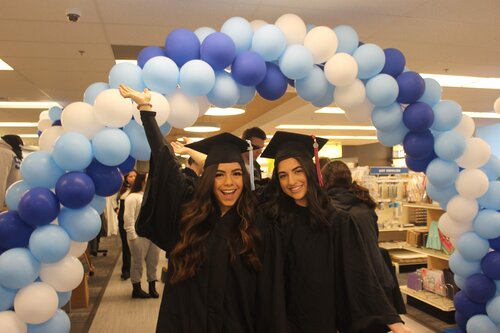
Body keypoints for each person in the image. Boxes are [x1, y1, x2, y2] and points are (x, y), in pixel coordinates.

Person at [119, 85, 286, 333]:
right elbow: (165, 162)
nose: (229, 183)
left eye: (236, 174)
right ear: (209, 179)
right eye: (219, 175)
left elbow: (270, 294)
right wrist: (146, 111)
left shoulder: (257, 225)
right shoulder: (190, 218)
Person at [260, 131, 413, 333]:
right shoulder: (273, 221)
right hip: (281, 319)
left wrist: (394, 322)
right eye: (283, 175)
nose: (291, 181)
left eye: (298, 171)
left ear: (311, 171)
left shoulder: (336, 221)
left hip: (321, 318)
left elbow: (358, 272)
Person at [322, 160, 407, 323]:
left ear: (324, 181)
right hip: (378, 275)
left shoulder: (328, 209)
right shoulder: (365, 205)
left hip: (351, 281)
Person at [124, 173, 161, 299]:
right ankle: (136, 288)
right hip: (138, 236)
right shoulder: (132, 197)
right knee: (137, 263)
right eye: (147, 179)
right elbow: (128, 218)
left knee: (153, 262)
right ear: (142, 181)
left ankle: (152, 286)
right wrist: (132, 235)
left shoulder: (153, 196)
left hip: (154, 234)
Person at [115, 170, 137, 280]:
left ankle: (136, 270)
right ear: (126, 178)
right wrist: (116, 209)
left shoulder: (141, 190)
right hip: (123, 220)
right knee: (126, 245)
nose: (132, 178)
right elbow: (115, 201)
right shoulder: (122, 190)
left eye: (135, 176)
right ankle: (126, 270)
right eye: (130, 176)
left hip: (137, 220)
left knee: (138, 246)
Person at [0, 134, 23, 207]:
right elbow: (1, 179)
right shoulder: (3, 153)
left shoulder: (10, 153)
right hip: (4, 204)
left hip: (8, 203)